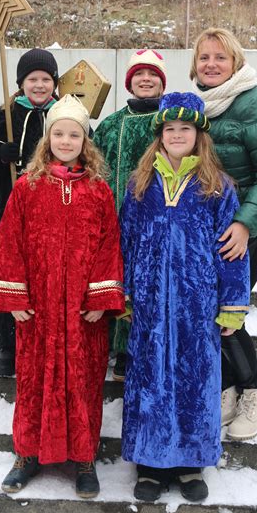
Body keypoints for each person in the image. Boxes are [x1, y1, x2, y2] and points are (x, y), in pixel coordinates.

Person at [0, 94, 125, 498]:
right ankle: (27, 456)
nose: (65, 140)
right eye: (58, 133)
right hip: (39, 308)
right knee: (33, 381)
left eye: (73, 134)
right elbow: (9, 242)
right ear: (48, 140)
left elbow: (109, 244)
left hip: (82, 311)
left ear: (85, 141)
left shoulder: (98, 191)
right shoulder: (27, 187)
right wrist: (15, 296)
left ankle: (83, 459)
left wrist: (100, 299)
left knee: (83, 382)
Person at [120, 92, 250, 502]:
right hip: (150, 302)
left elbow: (233, 251)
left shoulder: (218, 187)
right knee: (150, 379)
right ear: (159, 136)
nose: (177, 135)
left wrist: (232, 304)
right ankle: (151, 464)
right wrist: (123, 290)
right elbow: (124, 241)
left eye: (186, 129)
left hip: (198, 304)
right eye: (170, 129)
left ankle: (191, 463)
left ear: (199, 135)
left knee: (195, 380)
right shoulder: (140, 184)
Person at [189, 27, 257, 440]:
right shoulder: (196, 107)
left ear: (236, 63)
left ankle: (253, 396)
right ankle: (228, 391)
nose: (211, 64)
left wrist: (245, 222)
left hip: (254, 222)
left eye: (220, 57)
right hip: (213, 223)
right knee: (213, 305)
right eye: (204, 57)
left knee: (228, 307)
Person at [0, 48, 59, 377]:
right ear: (21, 83)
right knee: (10, 273)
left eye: (46, 79)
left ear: (54, 83)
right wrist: (0, 154)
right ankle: (7, 343)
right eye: (32, 79)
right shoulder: (3, 114)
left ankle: (47, 338)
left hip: (54, 213)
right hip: (10, 211)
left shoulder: (64, 114)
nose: (39, 85)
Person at [93, 49, 167, 381]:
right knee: (119, 282)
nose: (146, 79)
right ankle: (121, 351)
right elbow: (94, 169)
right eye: (139, 74)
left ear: (162, 82)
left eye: (153, 74)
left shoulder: (171, 121)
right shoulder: (111, 124)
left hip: (159, 222)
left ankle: (147, 346)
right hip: (116, 220)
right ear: (130, 81)